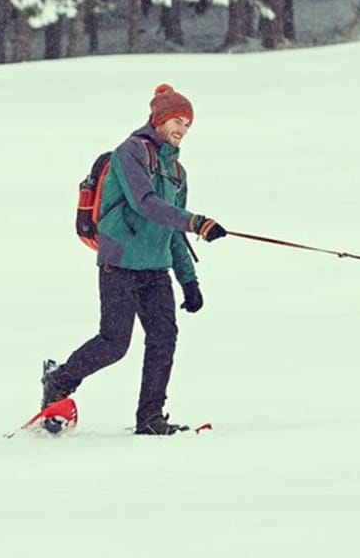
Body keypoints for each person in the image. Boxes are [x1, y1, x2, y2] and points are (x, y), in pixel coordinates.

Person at [41, 84, 227, 435]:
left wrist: (189, 281)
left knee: (164, 338)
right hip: (121, 261)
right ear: (158, 120)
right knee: (114, 342)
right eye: (177, 120)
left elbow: (173, 228)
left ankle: (150, 417)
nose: (182, 129)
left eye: (188, 124)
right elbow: (146, 203)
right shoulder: (131, 152)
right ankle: (59, 380)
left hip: (156, 268)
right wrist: (196, 221)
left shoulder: (178, 172)